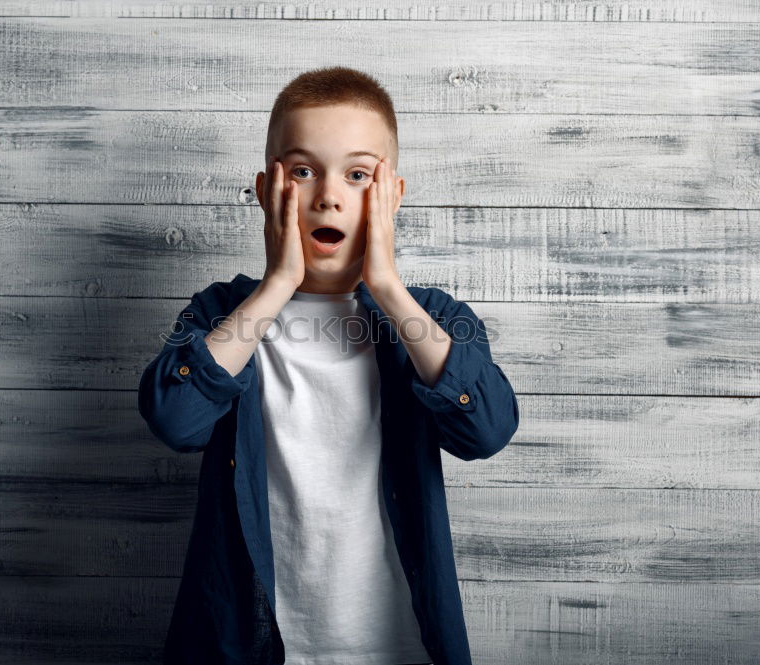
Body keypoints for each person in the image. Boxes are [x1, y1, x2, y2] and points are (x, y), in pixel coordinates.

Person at [138, 66, 520, 665]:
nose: (329, 195)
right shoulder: (221, 313)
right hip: (251, 641)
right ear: (267, 191)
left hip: (397, 642)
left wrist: (389, 287)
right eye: (304, 171)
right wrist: (277, 284)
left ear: (391, 195)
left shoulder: (432, 318)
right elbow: (174, 418)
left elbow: (487, 430)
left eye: (359, 174)